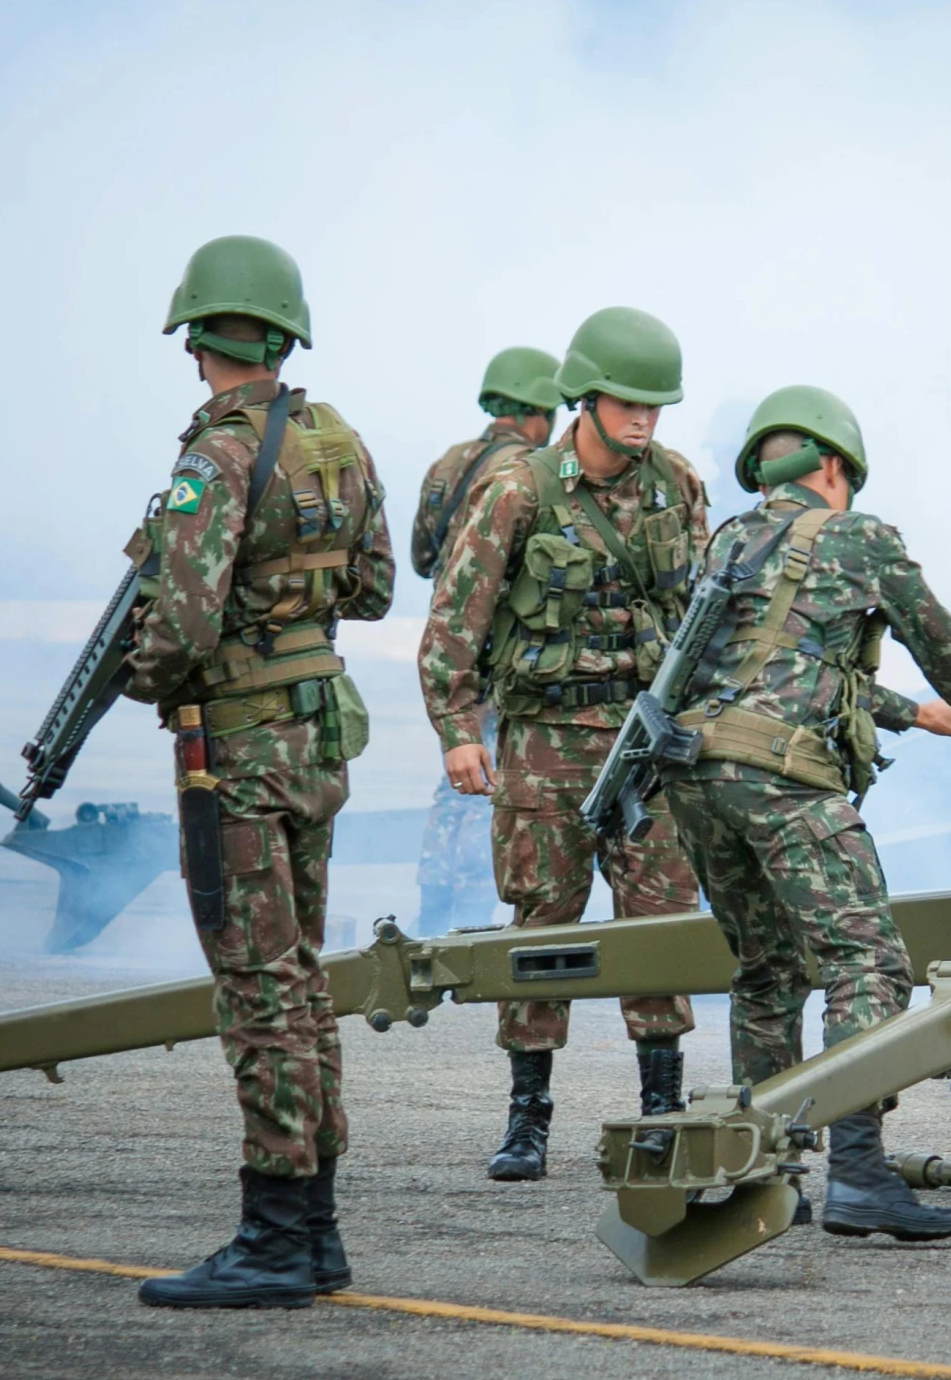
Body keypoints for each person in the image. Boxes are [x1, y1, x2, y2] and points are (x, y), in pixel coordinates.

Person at [662, 385, 951, 1241]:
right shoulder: (861, 536)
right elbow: (941, 642)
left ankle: (759, 1176)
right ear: (832, 465)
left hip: (697, 775)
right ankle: (857, 1169)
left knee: (769, 970)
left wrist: (915, 714)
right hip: (780, 776)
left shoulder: (732, 540)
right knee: (868, 961)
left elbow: (773, 663)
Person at [123, 234, 395, 1309]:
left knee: (257, 986)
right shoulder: (339, 442)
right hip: (316, 739)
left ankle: (277, 1237)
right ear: (284, 333)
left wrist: (158, 675)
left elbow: (179, 625)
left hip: (233, 747)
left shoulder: (216, 458)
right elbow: (371, 589)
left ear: (196, 340)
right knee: (303, 981)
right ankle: (314, 1232)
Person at [418, 307, 707, 1183]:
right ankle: (528, 1116)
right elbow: (454, 617)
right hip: (546, 740)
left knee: (658, 925)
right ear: (586, 395)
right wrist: (459, 731)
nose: (644, 419)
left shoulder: (678, 485)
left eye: (656, 404)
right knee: (542, 924)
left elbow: (703, 612)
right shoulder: (519, 490)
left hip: (648, 740)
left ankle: (662, 1113)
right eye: (627, 401)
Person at [408, 347, 564, 937]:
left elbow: (425, 560)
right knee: (495, 777)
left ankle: (436, 905)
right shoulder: (534, 470)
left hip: (451, 643)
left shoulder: (449, 465)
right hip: (504, 651)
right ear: (538, 411)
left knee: (455, 780)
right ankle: (473, 910)